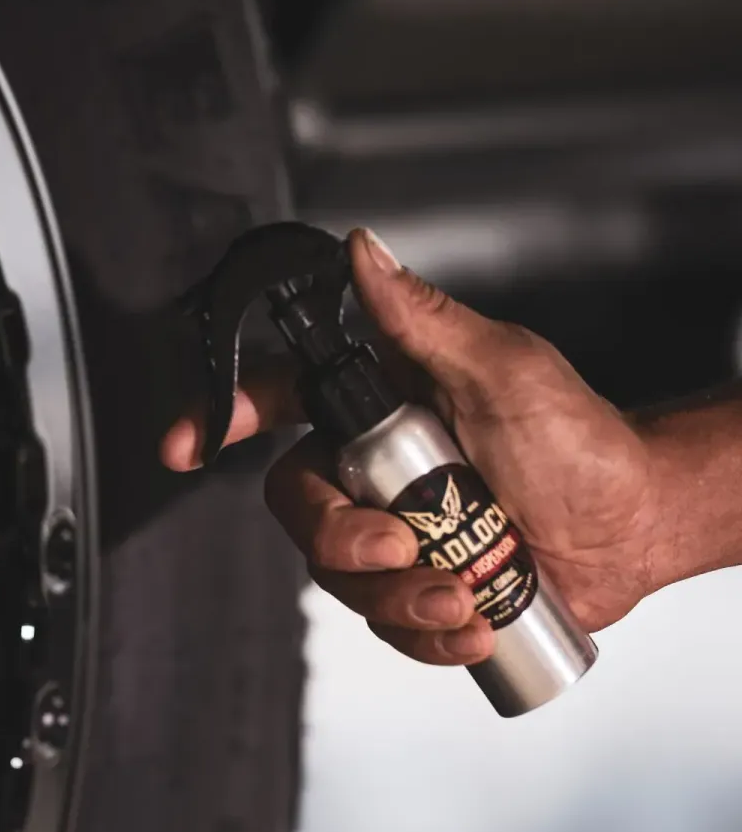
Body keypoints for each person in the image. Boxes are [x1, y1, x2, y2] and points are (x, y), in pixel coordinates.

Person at [159, 227, 742, 667]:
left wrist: (646, 514)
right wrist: (646, 512)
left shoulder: (405, 430)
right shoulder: (385, 443)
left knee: (401, 562)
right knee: (396, 563)